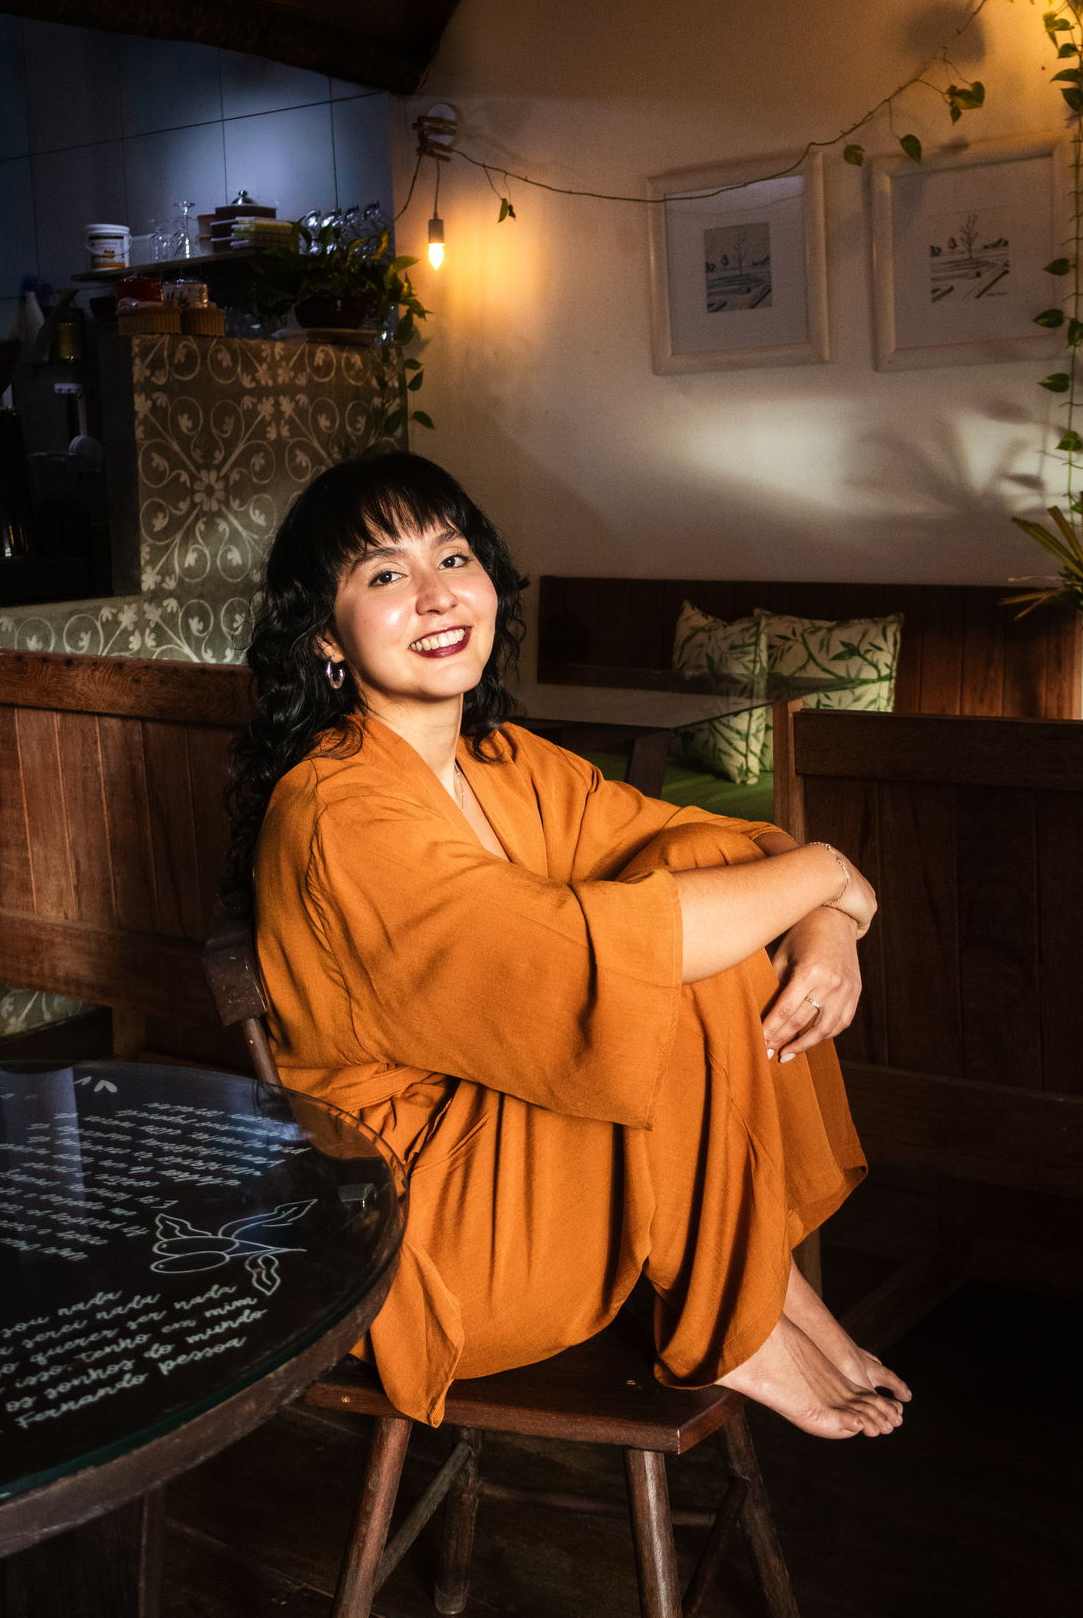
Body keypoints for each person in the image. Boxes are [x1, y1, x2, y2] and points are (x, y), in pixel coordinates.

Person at [225, 454, 910, 1441]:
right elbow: (601, 957)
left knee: (691, 895)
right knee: (661, 969)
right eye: (384, 574)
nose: (435, 595)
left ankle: (748, 1278)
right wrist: (831, 872)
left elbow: (708, 840)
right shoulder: (340, 810)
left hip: (513, 1155)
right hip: (417, 1225)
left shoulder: (502, 762)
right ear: (327, 637)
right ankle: (738, 1315)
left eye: (452, 557)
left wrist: (828, 918)